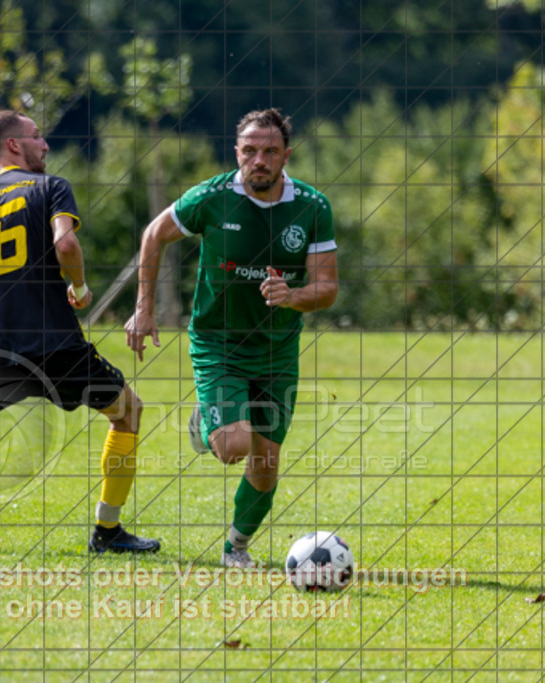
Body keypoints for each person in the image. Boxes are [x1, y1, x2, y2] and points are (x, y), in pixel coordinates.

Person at [0, 110, 160, 555]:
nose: (45, 144)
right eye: (36, 136)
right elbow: (65, 243)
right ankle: (107, 531)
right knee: (128, 411)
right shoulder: (50, 187)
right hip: (54, 342)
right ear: (13, 145)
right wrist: (79, 289)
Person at [125, 108, 338, 568]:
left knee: (266, 463)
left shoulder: (312, 207)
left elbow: (327, 288)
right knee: (233, 446)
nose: (259, 160)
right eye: (250, 150)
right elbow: (153, 235)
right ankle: (208, 422)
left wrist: (292, 295)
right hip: (218, 343)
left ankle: (236, 547)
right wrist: (144, 308)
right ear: (236, 151)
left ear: (286, 155)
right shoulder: (212, 197)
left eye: (270, 151)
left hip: (277, 350)